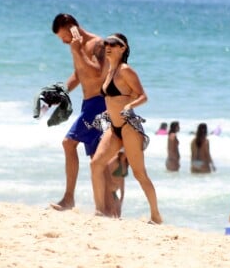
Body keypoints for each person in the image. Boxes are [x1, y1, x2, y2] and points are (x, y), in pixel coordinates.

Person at [89, 33, 162, 224]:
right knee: (96, 164)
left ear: (123, 48)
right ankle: (99, 211)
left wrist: (130, 106)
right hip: (114, 128)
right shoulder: (111, 71)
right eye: (107, 43)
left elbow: (143, 96)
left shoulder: (125, 70)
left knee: (139, 174)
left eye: (114, 44)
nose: (108, 46)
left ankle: (156, 215)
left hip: (129, 127)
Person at [50, 14, 107, 211]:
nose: (64, 42)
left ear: (71, 27)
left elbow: (98, 73)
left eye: (64, 37)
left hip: (100, 104)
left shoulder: (97, 44)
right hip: (88, 103)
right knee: (96, 159)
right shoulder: (78, 48)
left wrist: (77, 51)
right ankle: (105, 206)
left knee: (68, 143)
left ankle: (68, 198)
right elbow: (79, 74)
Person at [104, 150, 128, 218]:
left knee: (118, 212)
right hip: (107, 192)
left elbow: (122, 180)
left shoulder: (126, 161)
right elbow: (105, 174)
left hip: (114, 192)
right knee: (110, 212)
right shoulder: (114, 160)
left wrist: (122, 196)